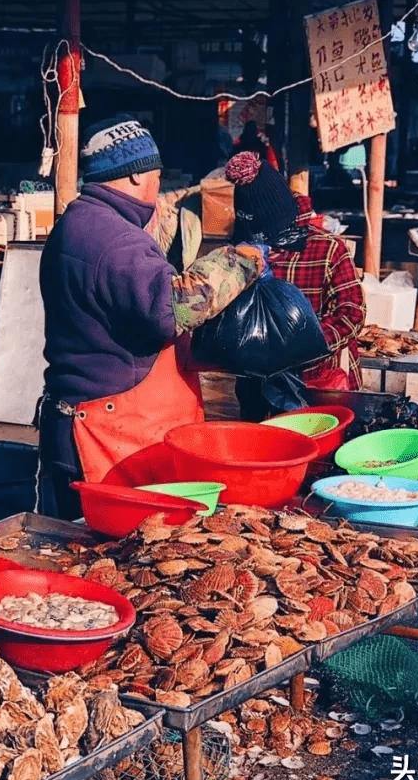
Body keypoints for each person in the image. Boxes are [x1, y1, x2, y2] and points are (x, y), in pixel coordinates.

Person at [37, 116, 266, 518]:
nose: (160, 188)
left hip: (74, 420)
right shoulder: (118, 240)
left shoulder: (76, 222)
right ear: (136, 175)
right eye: (157, 176)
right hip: (108, 437)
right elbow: (172, 308)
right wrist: (242, 261)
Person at [223, 150, 365, 415]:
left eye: (267, 234)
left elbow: (352, 312)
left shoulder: (326, 249)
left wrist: (302, 345)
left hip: (318, 384)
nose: (261, 243)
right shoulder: (242, 252)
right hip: (256, 388)